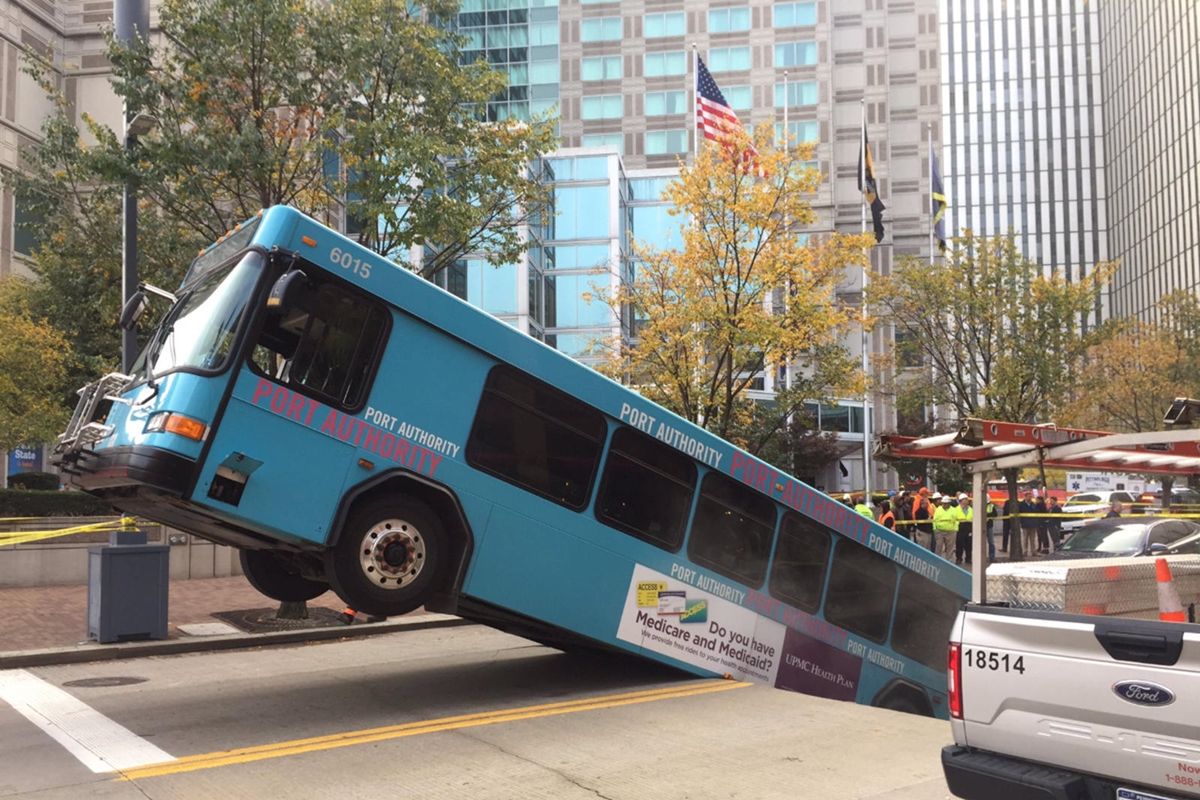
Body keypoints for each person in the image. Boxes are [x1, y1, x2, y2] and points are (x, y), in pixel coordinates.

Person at [933, 493, 958, 560]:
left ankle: (949, 561)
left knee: (950, 548)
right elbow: (935, 519)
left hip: (951, 531)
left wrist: (955, 529)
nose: (945, 504)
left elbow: (957, 520)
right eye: (944, 503)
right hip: (939, 531)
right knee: (939, 547)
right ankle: (937, 560)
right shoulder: (938, 509)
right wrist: (935, 529)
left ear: (949, 503)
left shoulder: (954, 510)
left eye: (947, 503)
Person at [954, 492, 974, 565]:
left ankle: (968, 558)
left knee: (969, 545)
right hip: (960, 528)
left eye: (966, 500)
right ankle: (959, 558)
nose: (966, 501)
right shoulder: (956, 509)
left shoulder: (971, 509)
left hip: (969, 527)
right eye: (964, 500)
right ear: (960, 501)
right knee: (959, 545)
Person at [1019, 492, 1038, 557]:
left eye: (1031, 496)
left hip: (1033, 524)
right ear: (1025, 497)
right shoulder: (1021, 504)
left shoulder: (1033, 504)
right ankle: (1025, 552)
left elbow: (1036, 512)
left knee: (1032, 539)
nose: (1030, 498)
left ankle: (1033, 551)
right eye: (1029, 496)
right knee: (1025, 539)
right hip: (1025, 524)